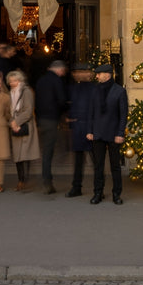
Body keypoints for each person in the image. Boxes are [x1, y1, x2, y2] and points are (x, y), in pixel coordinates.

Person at [86, 63, 128, 205]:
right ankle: (98, 193)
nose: (96, 76)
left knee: (115, 166)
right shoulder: (94, 90)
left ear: (107, 74)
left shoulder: (119, 91)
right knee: (98, 165)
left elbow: (123, 115)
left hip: (114, 134)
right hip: (97, 133)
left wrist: (120, 133)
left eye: (99, 74)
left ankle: (117, 194)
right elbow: (90, 112)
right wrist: (89, 131)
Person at [35, 59, 68, 193]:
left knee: (46, 151)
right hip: (52, 119)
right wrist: (63, 114)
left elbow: (36, 100)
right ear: (59, 69)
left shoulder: (41, 81)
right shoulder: (57, 81)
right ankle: (47, 181)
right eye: (63, 71)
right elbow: (61, 100)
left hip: (42, 119)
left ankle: (47, 179)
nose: (63, 74)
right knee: (50, 150)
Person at [65, 63, 95, 198]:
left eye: (82, 71)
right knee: (78, 160)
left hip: (91, 127)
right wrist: (70, 119)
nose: (78, 74)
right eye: (77, 72)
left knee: (96, 160)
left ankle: (98, 188)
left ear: (89, 74)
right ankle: (76, 187)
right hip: (78, 127)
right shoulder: (73, 88)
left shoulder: (95, 88)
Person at [7, 69, 40, 191]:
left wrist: (17, 122)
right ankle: (21, 179)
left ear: (19, 80)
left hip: (25, 125)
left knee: (25, 154)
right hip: (15, 126)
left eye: (14, 81)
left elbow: (28, 110)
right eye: (10, 81)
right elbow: (9, 110)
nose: (11, 83)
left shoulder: (26, 92)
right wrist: (12, 122)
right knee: (17, 156)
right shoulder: (11, 93)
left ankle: (24, 180)